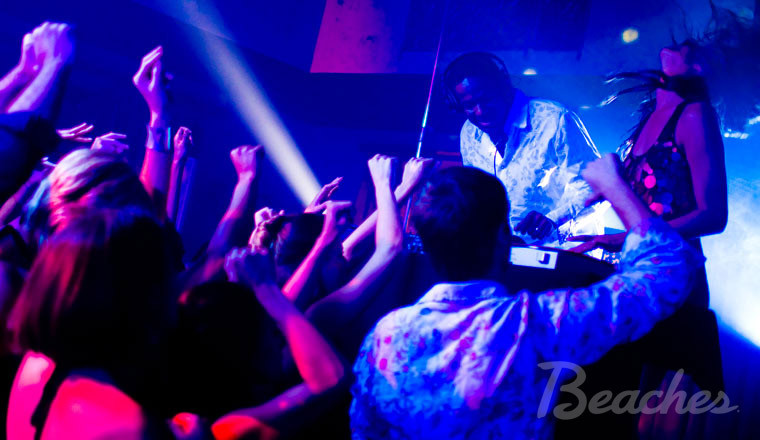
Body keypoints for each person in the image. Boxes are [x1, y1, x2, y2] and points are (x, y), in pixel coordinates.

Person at [349, 155, 703, 439]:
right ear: (504, 237)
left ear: (427, 243)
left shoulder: (384, 336)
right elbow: (668, 271)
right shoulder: (534, 324)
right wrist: (614, 186)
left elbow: (364, 430)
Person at [443, 52, 601, 244]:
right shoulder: (469, 133)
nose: (480, 111)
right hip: (503, 251)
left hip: (564, 248)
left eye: (486, 99)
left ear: (503, 87)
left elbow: (596, 186)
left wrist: (553, 219)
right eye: (469, 105)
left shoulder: (554, 119)